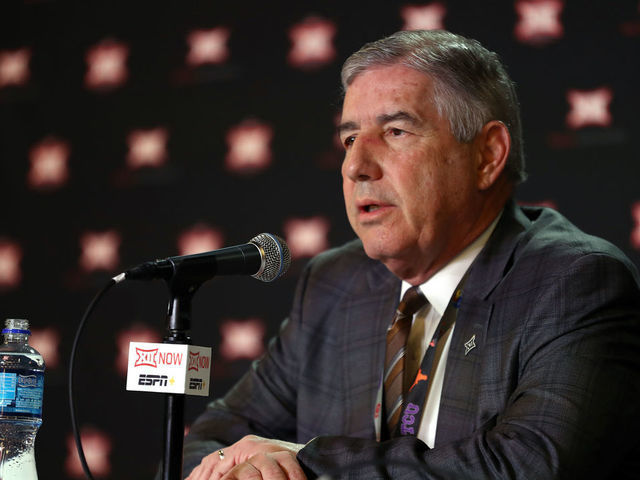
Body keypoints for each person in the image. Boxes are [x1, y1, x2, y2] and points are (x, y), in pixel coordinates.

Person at [182, 30, 640, 479]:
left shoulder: (574, 281)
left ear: (487, 155)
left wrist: (306, 462)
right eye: (349, 139)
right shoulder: (333, 284)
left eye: (396, 131)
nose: (355, 166)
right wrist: (239, 471)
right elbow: (205, 443)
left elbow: (529, 465)